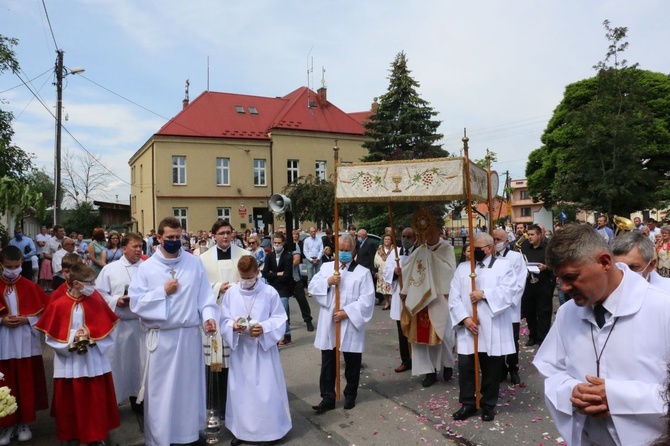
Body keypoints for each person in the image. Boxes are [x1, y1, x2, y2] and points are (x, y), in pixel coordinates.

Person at [533, 223, 670, 446]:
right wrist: (572, 391)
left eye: (571, 277)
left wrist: (618, 398)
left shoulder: (663, 307)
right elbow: (550, 369)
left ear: (605, 262)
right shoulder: (568, 313)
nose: (564, 288)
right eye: (559, 278)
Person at [129, 217, 218, 446]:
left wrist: (208, 318)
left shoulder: (194, 263)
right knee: (161, 394)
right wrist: (162, 292)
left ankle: (187, 435)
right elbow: (136, 303)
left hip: (188, 336)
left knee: (188, 390)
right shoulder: (147, 268)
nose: (175, 241)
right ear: (159, 238)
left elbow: (205, 296)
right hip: (162, 339)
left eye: (178, 237)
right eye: (170, 238)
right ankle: (160, 439)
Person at [35, 263, 120, 445]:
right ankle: (72, 434)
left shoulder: (96, 301)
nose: (92, 286)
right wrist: (73, 336)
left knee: (95, 399)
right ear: (75, 283)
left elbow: (109, 328)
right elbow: (50, 337)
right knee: (70, 400)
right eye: (88, 282)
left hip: (93, 359)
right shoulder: (58, 305)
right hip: (69, 362)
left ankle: (96, 435)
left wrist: (91, 332)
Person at [220, 255, 292, 445]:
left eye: (249, 278)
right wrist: (233, 326)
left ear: (257, 273)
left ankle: (269, 433)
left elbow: (279, 319)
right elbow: (223, 320)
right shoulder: (231, 293)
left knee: (265, 392)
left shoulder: (269, 292)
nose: (245, 282)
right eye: (242, 277)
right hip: (241, 351)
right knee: (241, 393)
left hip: (262, 352)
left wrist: (264, 328)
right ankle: (241, 431)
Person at [449, 233, 517, 422]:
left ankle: (488, 404)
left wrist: (484, 294)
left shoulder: (503, 266)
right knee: (466, 366)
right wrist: (465, 319)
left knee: (490, 368)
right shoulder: (463, 268)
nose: (475, 252)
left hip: (492, 326)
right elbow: (454, 296)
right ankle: (468, 403)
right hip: (469, 327)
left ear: (489, 248)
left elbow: (509, 291)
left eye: (478, 248)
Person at [309, 234, 374, 413]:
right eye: (341, 250)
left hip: (350, 321)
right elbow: (313, 286)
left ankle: (350, 394)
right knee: (328, 360)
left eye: (347, 250)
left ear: (354, 251)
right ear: (335, 251)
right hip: (329, 320)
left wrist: (347, 312)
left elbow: (367, 300)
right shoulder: (327, 267)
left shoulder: (363, 272)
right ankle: (328, 397)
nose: (344, 253)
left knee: (352, 361)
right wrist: (328, 282)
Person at [400, 214, 456, 387]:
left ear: (439, 232)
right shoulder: (420, 250)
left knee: (444, 335)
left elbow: (450, 270)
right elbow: (408, 269)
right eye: (426, 233)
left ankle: (447, 364)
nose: (429, 236)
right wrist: (405, 288)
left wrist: (430, 258)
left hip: (439, 297)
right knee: (421, 340)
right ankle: (429, 371)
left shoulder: (447, 248)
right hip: (420, 299)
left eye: (432, 232)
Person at [200, 219, 248, 420]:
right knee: (216, 365)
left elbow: (253, 280)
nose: (226, 236)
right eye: (221, 233)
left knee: (239, 364)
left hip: (238, 316)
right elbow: (200, 288)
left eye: (228, 232)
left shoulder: (244, 256)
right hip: (214, 315)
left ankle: (239, 406)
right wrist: (218, 287)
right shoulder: (203, 258)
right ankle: (216, 406)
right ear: (214, 235)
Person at [0, 246, 48, 444]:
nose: (13, 270)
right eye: (9, 267)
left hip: (25, 344)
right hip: (3, 343)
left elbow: (44, 314)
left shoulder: (30, 286)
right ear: (1, 265)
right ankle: (6, 425)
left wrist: (27, 320)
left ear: (22, 264)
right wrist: (1, 321)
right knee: (5, 384)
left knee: (26, 383)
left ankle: (24, 423)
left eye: (17, 266)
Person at [95, 233, 144, 412]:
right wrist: (117, 300)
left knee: (141, 366)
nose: (139, 250)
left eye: (140, 246)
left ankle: (140, 400)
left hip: (142, 326)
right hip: (120, 326)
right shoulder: (110, 269)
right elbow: (99, 295)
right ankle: (114, 402)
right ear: (124, 249)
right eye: (135, 247)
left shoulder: (148, 267)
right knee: (119, 365)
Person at [493, 228, 527, 384]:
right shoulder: (489, 257)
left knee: (512, 339)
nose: (495, 243)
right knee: (497, 338)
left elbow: (520, 282)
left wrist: (508, 301)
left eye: (498, 240)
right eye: (493, 239)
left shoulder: (515, 257)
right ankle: (499, 369)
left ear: (507, 241)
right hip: (494, 305)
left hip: (511, 306)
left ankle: (513, 368)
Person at [383, 227, 416, 373]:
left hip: (415, 298)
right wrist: (394, 272)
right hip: (399, 297)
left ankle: (418, 360)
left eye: (409, 237)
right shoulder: (395, 254)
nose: (405, 239)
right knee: (402, 331)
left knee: (416, 329)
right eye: (403, 236)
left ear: (415, 238)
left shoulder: (419, 253)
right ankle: (406, 360)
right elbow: (385, 272)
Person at [520, 224, 555, 346]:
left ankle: (542, 337)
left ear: (540, 235)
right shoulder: (524, 246)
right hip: (528, 283)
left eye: (532, 235)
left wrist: (546, 267)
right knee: (529, 311)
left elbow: (555, 264)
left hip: (544, 282)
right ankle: (533, 335)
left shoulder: (548, 247)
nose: (529, 237)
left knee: (544, 311)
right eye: (528, 235)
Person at [263, 233, 296, 345]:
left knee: (281, 312)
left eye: (279, 243)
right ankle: (275, 337)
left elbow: (287, 275)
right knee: (271, 313)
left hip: (284, 289)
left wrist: (273, 274)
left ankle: (286, 335)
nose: (277, 245)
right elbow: (265, 273)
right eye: (275, 243)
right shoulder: (269, 256)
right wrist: (277, 274)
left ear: (283, 243)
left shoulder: (288, 256)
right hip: (272, 288)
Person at [289, 229, 314, 332]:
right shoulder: (278, 247)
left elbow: (297, 260)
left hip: (295, 277)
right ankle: (286, 324)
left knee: (302, 299)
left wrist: (285, 266)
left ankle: (308, 320)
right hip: (282, 279)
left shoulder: (295, 246)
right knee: (283, 302)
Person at [374, 234, 394, 310]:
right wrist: (381, 263)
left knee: (392, 287)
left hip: (391, 271)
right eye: (385, 239)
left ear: (391, 241)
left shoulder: (394, 249)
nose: (387, 241)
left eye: (388, 239)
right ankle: (387, 303)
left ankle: (393, 302)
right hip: (382, 271)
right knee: (384, 289)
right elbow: (376, 259)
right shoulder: (380, 249)